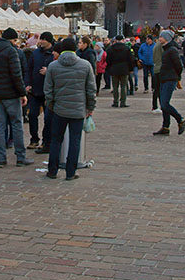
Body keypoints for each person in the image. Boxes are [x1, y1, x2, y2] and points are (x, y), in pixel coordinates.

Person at [44, 37, 96, 180]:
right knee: (75, 141)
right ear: (75, 49)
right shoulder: (85, 65)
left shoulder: (53, 66)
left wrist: (52, 105)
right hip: (78, 109)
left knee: (56, 140)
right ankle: (70, 172)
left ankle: (52, 170)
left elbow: (48, 89)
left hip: (59, 109)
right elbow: (91, 90)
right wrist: (90, 107)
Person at [0, 27, 31, 168]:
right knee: (16, 124)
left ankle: (1, 158)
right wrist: (23, 93)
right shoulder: (11, 51)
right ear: (12, 40)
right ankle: (20, 157)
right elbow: (16, 74)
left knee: (0, 126)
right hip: (11, 95)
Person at [24, 32, 54, 149]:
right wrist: (28, 83)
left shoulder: (53, 54)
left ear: (49, 41)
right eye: (40, 39)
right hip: (34, 90)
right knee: (32, 115)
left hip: (48, 92)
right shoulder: (35, 53)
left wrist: (49, 71)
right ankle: (34, 139)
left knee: (48, 118)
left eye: (43, 40)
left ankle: (46, 141)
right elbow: (28, 69)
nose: (40, 41)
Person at [153, 30, 185, 135]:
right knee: (163, 104)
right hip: (164, 78)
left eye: (161, 37)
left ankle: (180, 120)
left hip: (170, 79)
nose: (159, 39)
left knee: (165, 103)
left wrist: (176, 76)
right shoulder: (166, 50)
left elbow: (179, 65)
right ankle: (165, 126)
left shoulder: (172, 50)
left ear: (166, 38)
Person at [105, 35, 133, 108]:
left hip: (114, 69)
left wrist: (109, 68)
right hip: (124, 69)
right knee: (123, 86)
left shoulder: (111, 48)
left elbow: (108, 60)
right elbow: (130, 60)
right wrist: (130, 69)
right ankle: (123, 102)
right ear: (123, 40)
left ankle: (115, 102)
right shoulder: (126, 48)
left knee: (115, 87)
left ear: (115, 40)